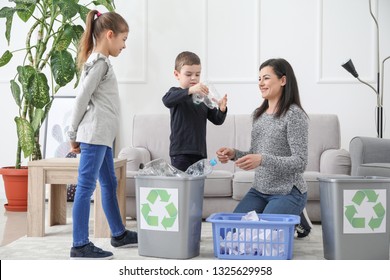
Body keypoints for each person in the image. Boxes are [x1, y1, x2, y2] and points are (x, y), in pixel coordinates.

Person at [67, 10, 137, 260]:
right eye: (123, 39)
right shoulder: (99, 63)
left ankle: (118, 234)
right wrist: (72, 133)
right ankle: (80, 244)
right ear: (110, 35)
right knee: (85, 187)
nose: (125, 45)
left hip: (103, 137)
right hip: (94, 135)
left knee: (109, 183)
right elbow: (81, 99)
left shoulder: (102, 62)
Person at [216, 58, 312, 237]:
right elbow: (255, 153)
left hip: (287, 191)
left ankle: (296, 217)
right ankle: (291, 217)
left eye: (266, 78)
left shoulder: (294, 115)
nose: (260, 83)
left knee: (260, 236)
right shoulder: (258, 115)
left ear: (283, 80)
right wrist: (234, 154)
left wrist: (262, 159)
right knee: (228, 233)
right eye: (259, 79)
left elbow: (300, 162)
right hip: (259, 190)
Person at [162, 51, 228, 171]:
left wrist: (222, 109)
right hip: (180, 152)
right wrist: (191, 90)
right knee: (182, 186)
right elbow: (167, 100)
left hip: (199, 152)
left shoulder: (203, 97)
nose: (194, 78)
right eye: (188, 74)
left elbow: (217, 120)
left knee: (197, 186)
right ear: (177, 75)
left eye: (197, 74)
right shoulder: (175, 93)